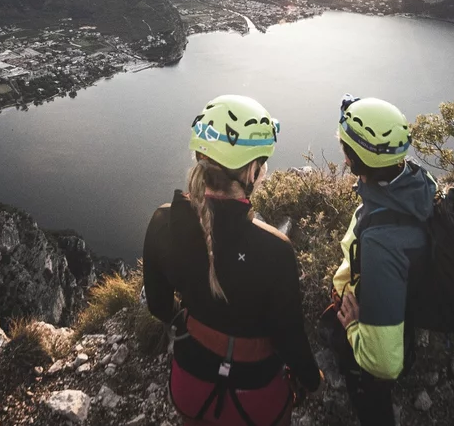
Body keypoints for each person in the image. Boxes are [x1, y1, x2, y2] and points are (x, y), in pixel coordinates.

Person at [143, 94, 323, 426]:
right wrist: (313, 381)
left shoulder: (162, 221)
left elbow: (158, 306)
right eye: (263, 163)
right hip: (255, 402)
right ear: (252, 170)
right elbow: (290, 340)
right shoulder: (276, 249)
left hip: (189, 389)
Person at [324, 95, 435, 426]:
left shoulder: (380, 244)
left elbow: (385, 363)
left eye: (345, 149)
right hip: (402, 291)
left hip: (380, 320)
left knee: (371, 395)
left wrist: (354, 328)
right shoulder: (414, 181)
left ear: (353, 162)